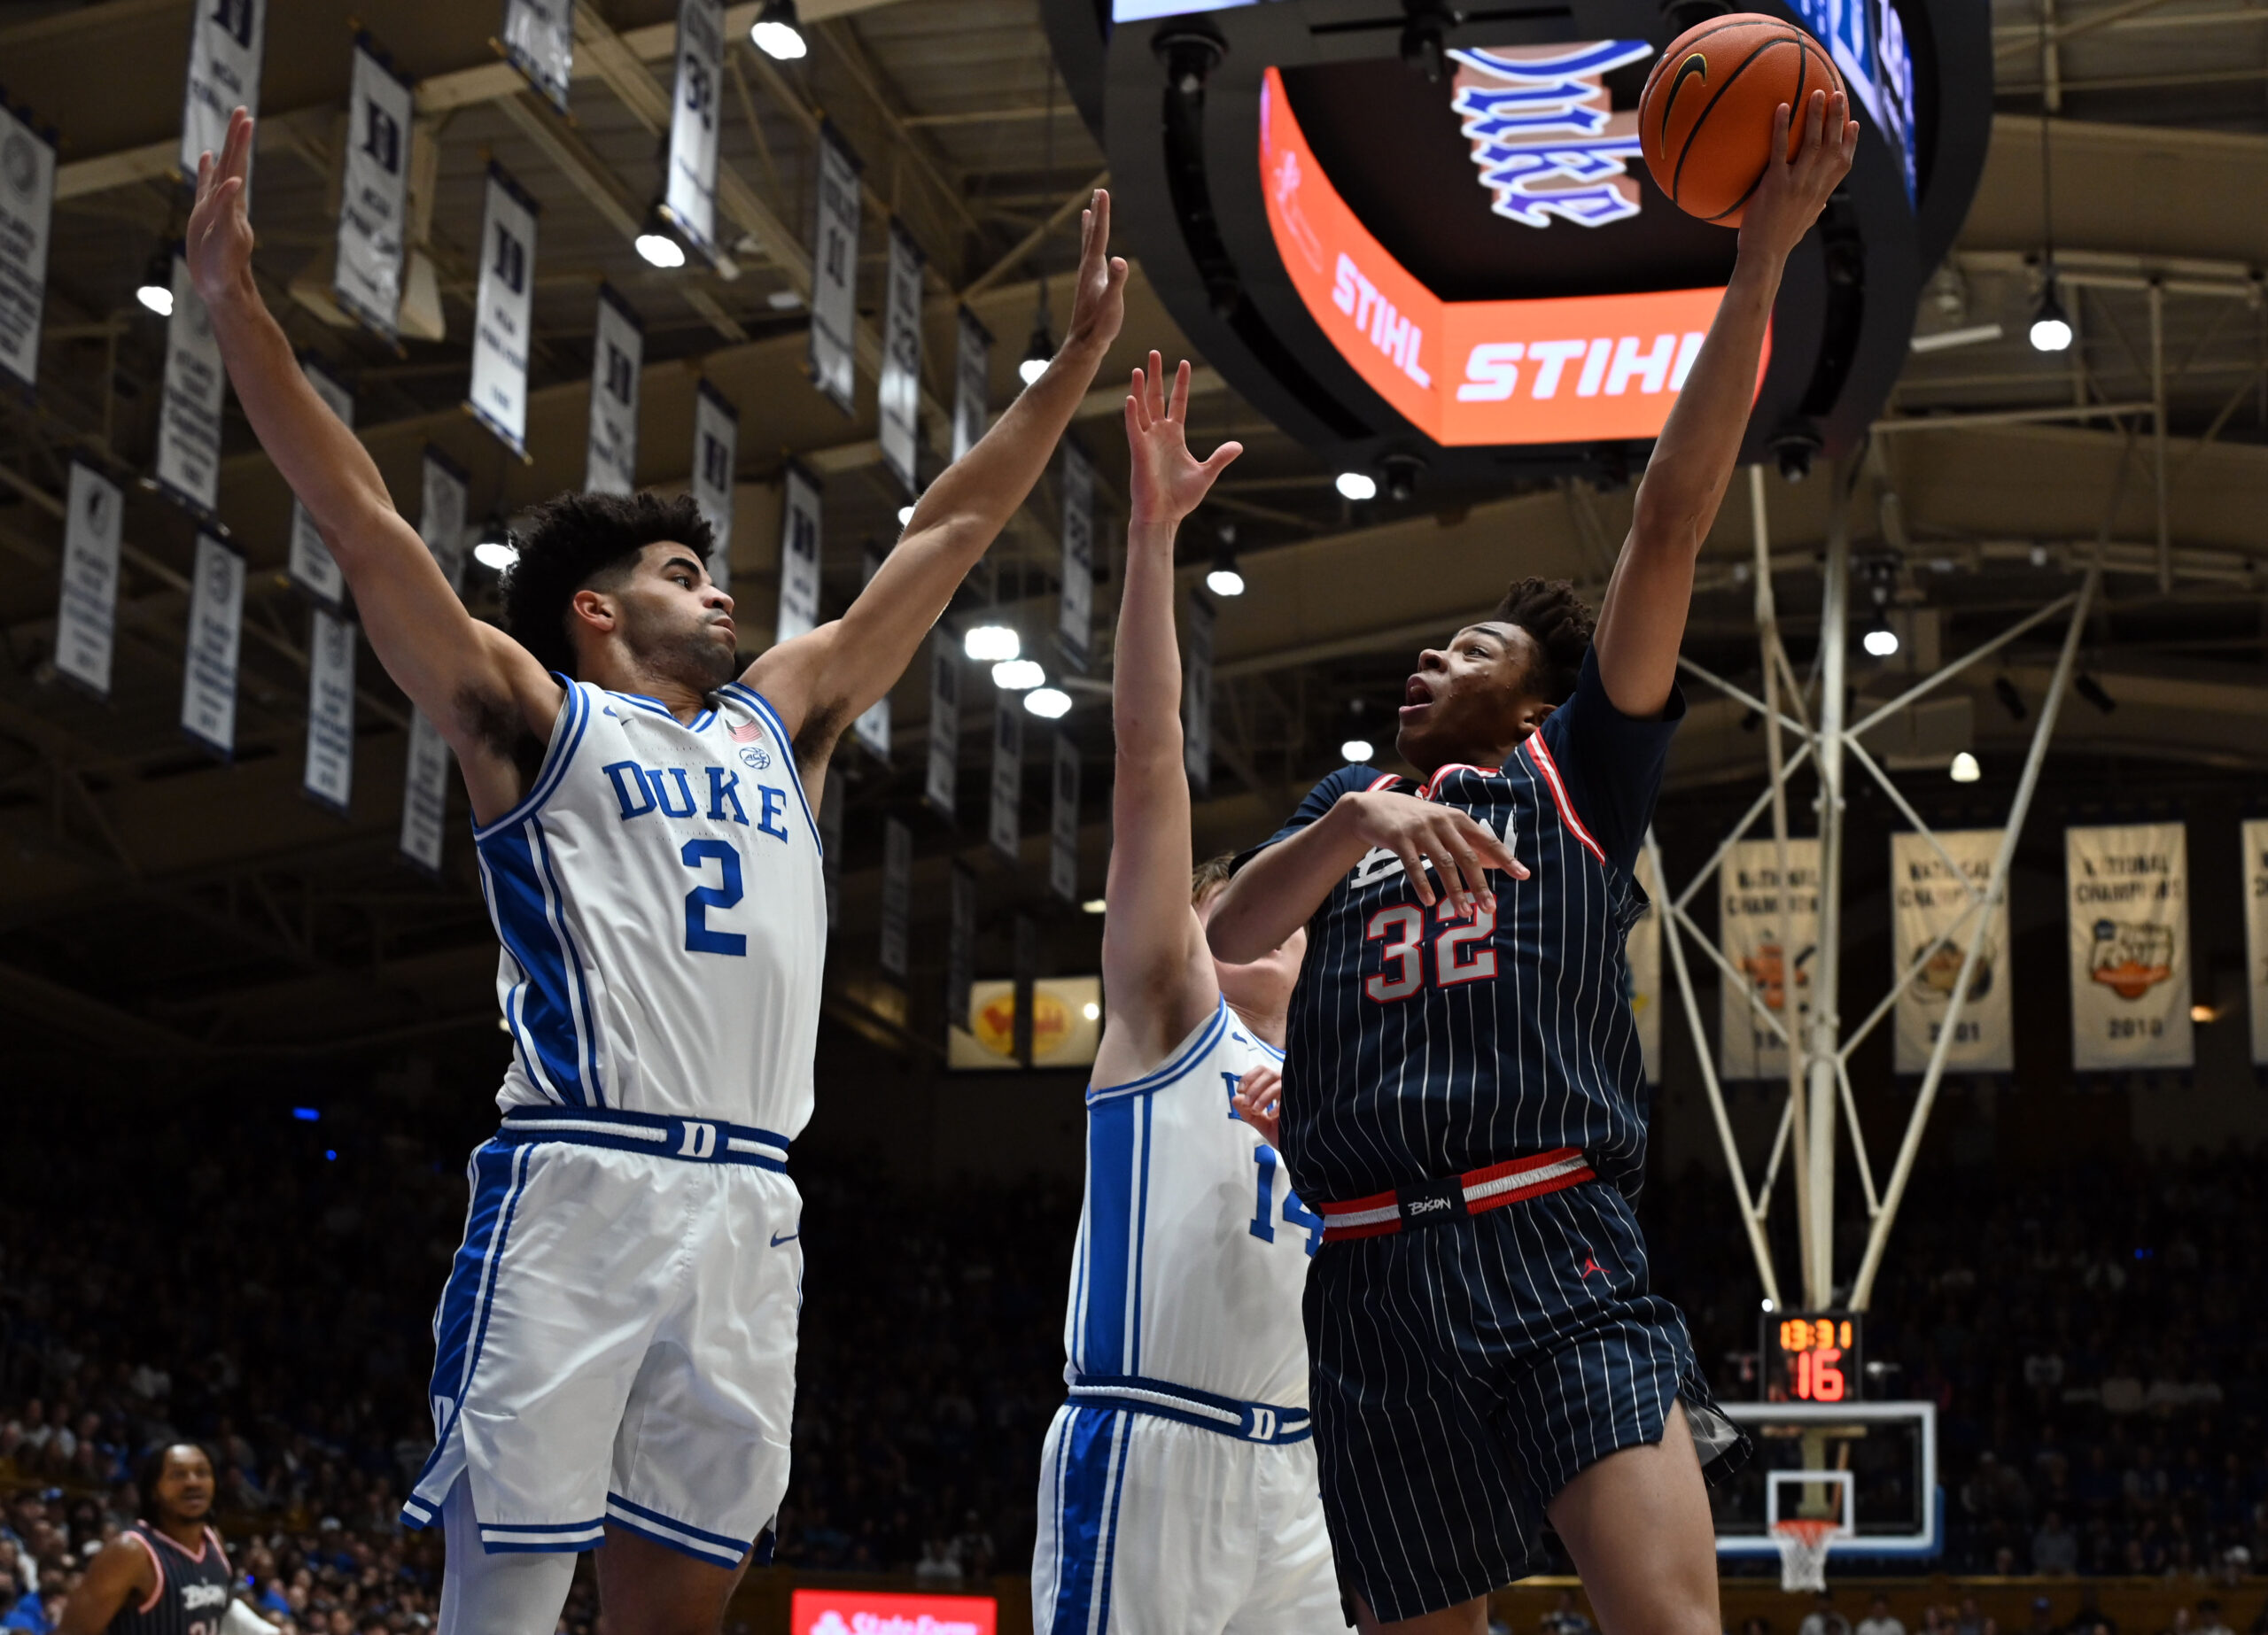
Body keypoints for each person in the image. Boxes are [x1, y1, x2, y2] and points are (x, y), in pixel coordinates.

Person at [183, 105, 1130, 1635]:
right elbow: (363, 528)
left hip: (751, 1205)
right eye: (685, 573)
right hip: (584, 1173)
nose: (721, 587)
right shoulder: (532, 714)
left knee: (681, 1607)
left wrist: (1074, 359)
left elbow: (945, 535)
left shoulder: (783, 723)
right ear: (597, 615)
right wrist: (239, 315)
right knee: (503, 1598)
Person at [1204, 88, 1860, 1635]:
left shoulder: (1575, 775)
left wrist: (1757, 261)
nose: (1430, 653)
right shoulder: (1346, 807)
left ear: (1536, 694)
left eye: (1470, 644)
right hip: (1366, 1278)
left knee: (1666, 1620)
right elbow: (1235, 931)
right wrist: (1355, 818)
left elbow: (1671, 517)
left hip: (1551, 1237)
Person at [1029, 356, 1339, 1632]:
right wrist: (1153, 534)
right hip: (1152, 1442)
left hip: (1299, 1473)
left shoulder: (1345, 1100)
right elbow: (1150, 758)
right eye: (1223, 908)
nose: (1259, 931)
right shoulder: (1169, 1016)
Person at [55, 1444, 232, 1635]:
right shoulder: (131, 1552)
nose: (193, 1482)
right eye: (178, 1475)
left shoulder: (214, 1541)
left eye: (202, 1472)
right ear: (153, 1490)